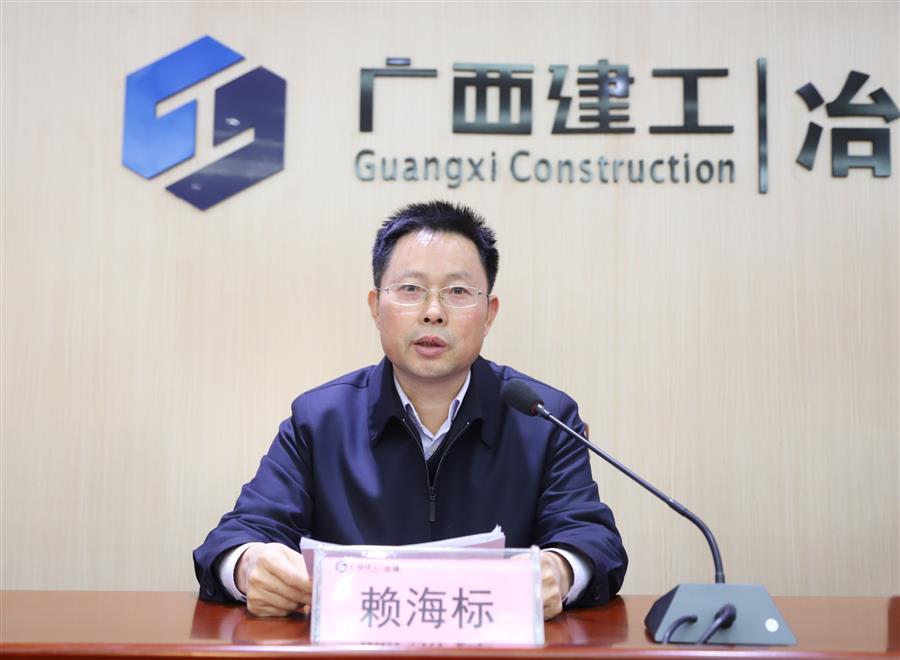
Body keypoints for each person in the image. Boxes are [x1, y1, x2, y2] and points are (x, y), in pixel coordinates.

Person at [193, 200, 627, 620]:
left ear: (489, 314)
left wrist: (561, 571)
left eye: (458, 292)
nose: (433, 313)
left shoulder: (543, 419)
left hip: (491, 654)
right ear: (375, 307)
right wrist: (250, 565)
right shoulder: (320, 420)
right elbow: (236, 536)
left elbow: (592, 538)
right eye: (411, 290)